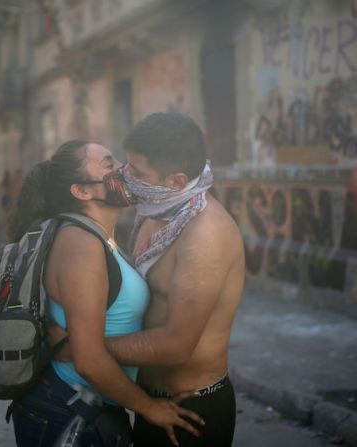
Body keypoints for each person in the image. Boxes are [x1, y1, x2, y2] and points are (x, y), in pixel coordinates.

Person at [53, 113, 245, 446]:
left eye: (137, 172)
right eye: (126, 165)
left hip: (191, 410)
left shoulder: (206, 235)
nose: (126, 176)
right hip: (151, 403)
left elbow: (176, 346)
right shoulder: (155, 210)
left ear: (175, 180)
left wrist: (83, 350)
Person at [9, 140, 203, 447]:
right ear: (82, 191)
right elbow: (88, 360)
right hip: (68, 410)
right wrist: (150, 407)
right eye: (109, 165)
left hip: (90, 406)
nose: (123, 171)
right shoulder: (81, 245)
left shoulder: (99, 237)